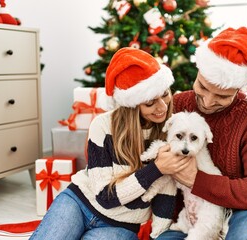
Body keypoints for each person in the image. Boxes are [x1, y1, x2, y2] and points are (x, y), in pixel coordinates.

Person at [30, 47, 191, 240]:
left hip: (122, 224)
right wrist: (156, 169)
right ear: (131, 105)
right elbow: (105, 197)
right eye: (150, 103)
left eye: (165, 94)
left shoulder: (173, 132)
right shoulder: (103, 125)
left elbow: (166, 192)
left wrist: (157, 235)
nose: (163, 107)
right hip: (79, 202)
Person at [156, 27, 247, 240]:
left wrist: (196, 180)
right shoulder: (178, 105)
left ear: (239, 89)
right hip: (192, 212)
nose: (207, 101)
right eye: (203, 87)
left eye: (222, 96)